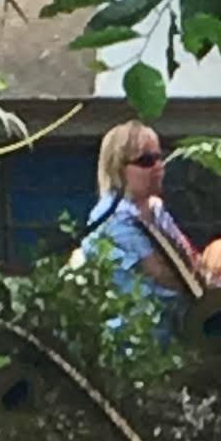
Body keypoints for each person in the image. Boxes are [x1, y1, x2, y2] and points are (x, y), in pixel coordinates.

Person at [73, 122, 201, 307]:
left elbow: (189, 259)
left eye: (159, 157)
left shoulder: (155, 210)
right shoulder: (113, 216)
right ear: (118, 168)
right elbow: (164, 276)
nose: (158, 167)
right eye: (147, 161)